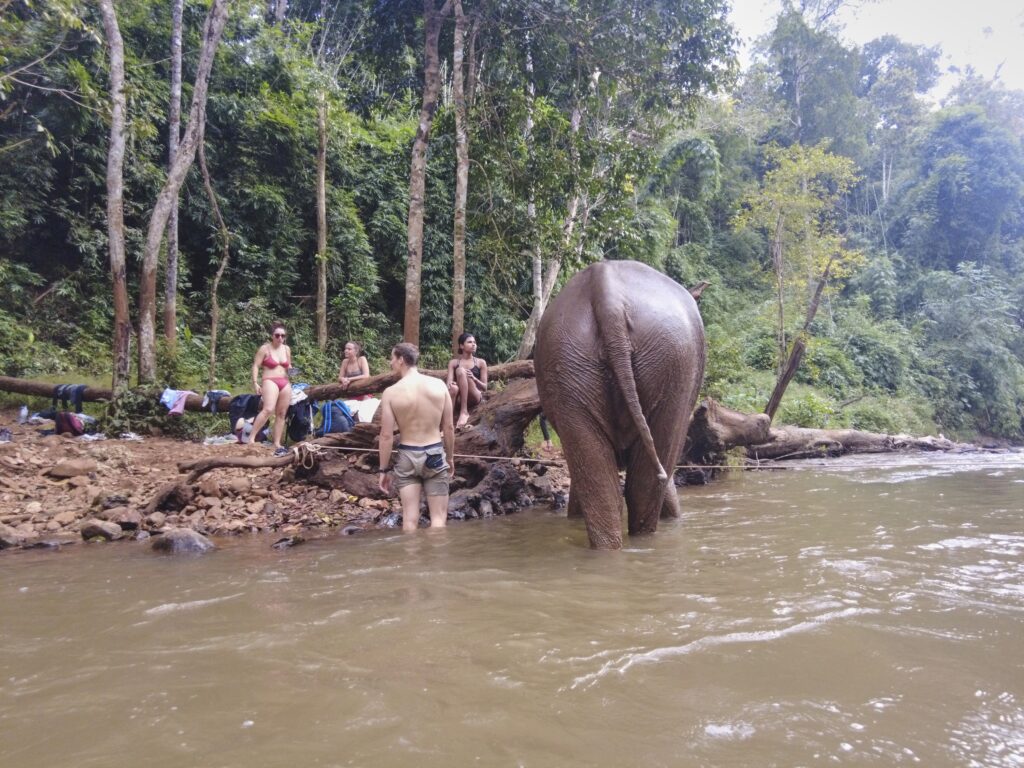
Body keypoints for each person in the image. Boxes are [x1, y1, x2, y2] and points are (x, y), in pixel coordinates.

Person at [378, 342, 455, 532]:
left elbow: (386, 436)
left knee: (410, 520)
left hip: (407, 457)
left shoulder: (390, 393)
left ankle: (410, 561)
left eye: (392, 358)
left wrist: (383, 470)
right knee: (438, 520)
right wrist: (451, 457)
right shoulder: (438, 385)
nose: (391, 363)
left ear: (402, 360)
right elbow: (449, 427)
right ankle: (437, 561)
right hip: (435, 454)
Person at [247, 322, 292, 456]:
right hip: (269, 380)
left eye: (282, 336)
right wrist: (255, 382)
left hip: (285, 381)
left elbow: (289, 366)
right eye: (277, 335)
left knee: (282, 413)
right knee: (268, 409)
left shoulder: (286, 349)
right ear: (272, 336)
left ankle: (276, 442)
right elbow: (256, 365)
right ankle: (252, 437)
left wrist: (294, 372)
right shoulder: (265, 349)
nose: (280, 338)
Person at [446, 332, 488, 429]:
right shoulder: (453, 363)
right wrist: (452, 383)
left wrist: (474, 379)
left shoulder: (481, 362)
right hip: (460, 397)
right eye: (469, 342)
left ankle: (464, 412)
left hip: (475, 395)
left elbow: (485, 387)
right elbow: (448, 383)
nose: (473, 344)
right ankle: (448, 423)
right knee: (453, 387)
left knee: (461, 370)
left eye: (474, 342)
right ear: (461, 346)